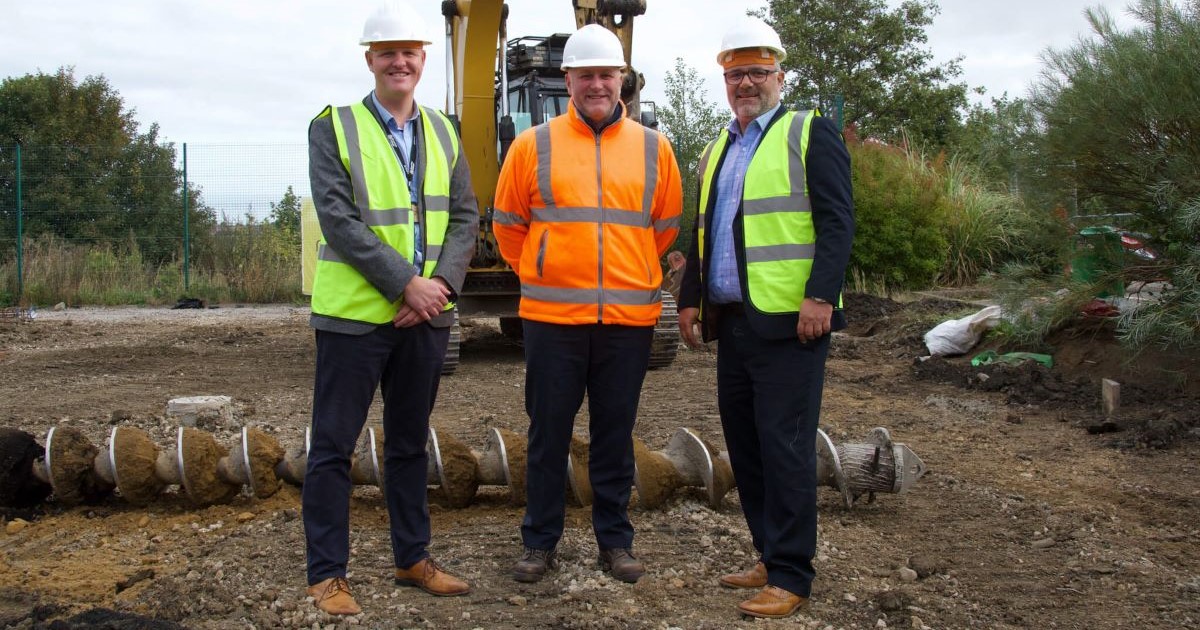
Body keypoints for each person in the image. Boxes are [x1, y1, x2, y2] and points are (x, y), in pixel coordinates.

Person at [302, 0, 478, 615]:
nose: (399, 61)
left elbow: (464, 217)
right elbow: (340, 220)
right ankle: (326, 576)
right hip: (355, 318)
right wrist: (407, 284)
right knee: (332, 447)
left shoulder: (445, 129)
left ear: (424, 58)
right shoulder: (333, 126)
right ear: (370, 59)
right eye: (387, 53)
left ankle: (412, 558)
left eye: (410, 51)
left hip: (426, 316)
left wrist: (441, 287)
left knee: (408, 444)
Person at [676, 17, 855, 620]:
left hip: (791, 324)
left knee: (786, 448)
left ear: (779, 75)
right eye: (735, 74)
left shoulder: (809, 133)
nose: (745, 82)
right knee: (746, 445)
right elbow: (704, 233)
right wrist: (689, 300)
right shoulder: (718, 147)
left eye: (756, 71)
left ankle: (792, 574)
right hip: (735, 321)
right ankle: (766, 552)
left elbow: (837, 222)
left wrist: (821, 297)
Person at [492, 24, 683, 585]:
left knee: (613, 435)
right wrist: (550, 269)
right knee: (548, 434)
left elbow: (663, 227)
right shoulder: (533, 145)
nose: (597, 84)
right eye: (586, 75)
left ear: (621, 79)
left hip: (627, 322)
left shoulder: (654, 148)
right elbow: (508, 228)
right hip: (553, 321)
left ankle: (615, 542)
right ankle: (539, 542)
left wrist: (624, 272)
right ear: (568, 80)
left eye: (607, 74)